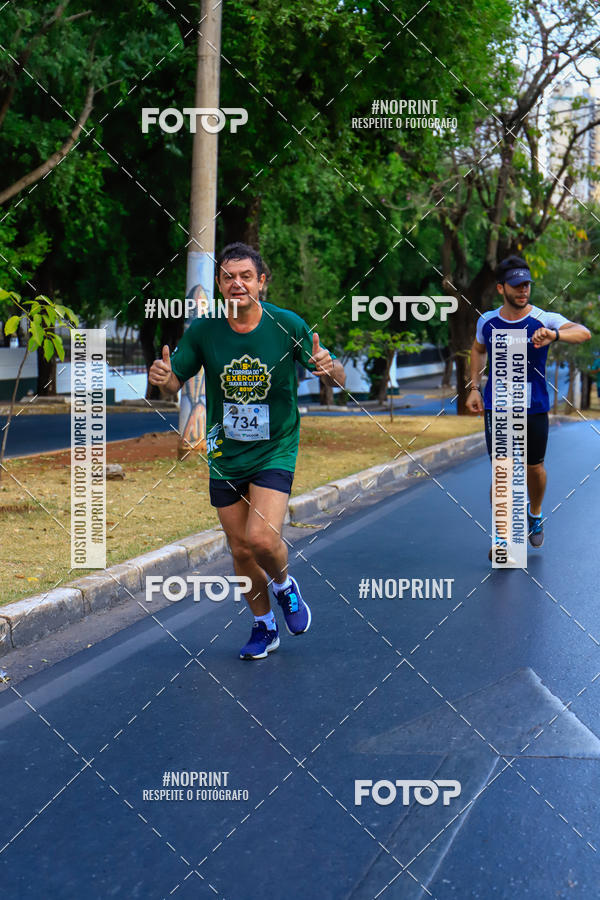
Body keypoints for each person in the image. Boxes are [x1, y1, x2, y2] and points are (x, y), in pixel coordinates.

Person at [149, 242, 345, 659]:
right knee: (239, 548)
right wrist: (164, 378)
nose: (237, 283)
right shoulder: (204, 331)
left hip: (275, 447)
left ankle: (285, 586)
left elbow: (333, 376)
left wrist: (332, 369)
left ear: (261, 282)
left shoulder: (286, 324)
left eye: (246, 276)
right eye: (228, 277)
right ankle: (264, 626)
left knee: (261, 538)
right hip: (226, 452)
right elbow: (174, 382)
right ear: (220, 284)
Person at [466, 255, 591, 553]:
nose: (523, 290)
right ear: (501, 288)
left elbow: (583, 333)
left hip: (533, 407)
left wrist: (554, 335)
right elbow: (478, 349)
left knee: (534, 468)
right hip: (498, 407)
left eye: (526, 285)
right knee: (502, 471)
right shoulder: (487, 321)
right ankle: (502, 536)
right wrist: (474, 387)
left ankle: (534, 514)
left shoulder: (543, 318)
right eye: (516, 285)